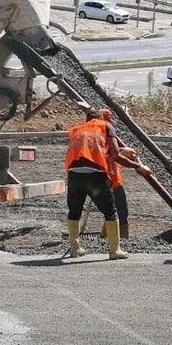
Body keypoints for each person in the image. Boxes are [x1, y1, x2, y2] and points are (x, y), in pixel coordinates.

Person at [64, 108, 127, 260]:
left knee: (74, 211)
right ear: (100, 118)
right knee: (110, 211)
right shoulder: (105, 125)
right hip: (95, 174)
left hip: (74, 174)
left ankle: (75, 248)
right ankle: (114, 250)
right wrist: (136, 165)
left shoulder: (76, 129)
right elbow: (115, 152)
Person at [99, 109, 150, 241]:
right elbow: (109, 153)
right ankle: (121, 238)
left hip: (113, 178)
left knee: (113, 209)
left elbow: (110, 151)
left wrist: (122, 151)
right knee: (119, 210)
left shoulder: (102, 132)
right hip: (108, 179)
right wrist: (124, 153)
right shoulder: (101, 133)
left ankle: (106, 235)